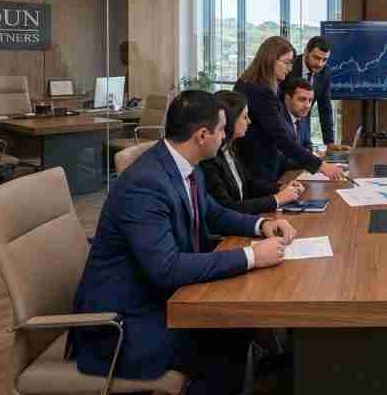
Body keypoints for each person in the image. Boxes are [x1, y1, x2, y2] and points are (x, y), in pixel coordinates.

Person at [71, 90, 299, 395]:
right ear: (203, 135)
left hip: (160, 300)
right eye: (221, 131)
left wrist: (263, 224)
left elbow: (214, 213)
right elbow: (166, 269)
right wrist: (253, 256)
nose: (225, 137)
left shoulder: (182, 164)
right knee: (225, 335)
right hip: (123, 326)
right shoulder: (145, 185)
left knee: (234, 327)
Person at [234, 36, 345, 182]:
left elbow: (324, 108)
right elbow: (281, 137)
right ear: (270, 59)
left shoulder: (256, 83)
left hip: (262, 161)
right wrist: (321, 166)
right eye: (287, 63)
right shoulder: (261, 91)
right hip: (257, 165)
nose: (290, 68)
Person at [200, 89, 305, 214]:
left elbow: (249, 183)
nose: (249, 121)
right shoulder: (209, 159)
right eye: (244, 117)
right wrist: (277, 199)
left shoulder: (230, 148)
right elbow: (227, 208)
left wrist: (281, 188)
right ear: (230, 121)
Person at [286, 36, 336, 148]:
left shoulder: (325, 72)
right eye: (316, 58)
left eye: (324, 60)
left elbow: (325, 107)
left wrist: (330, 143)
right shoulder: (290, 67)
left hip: (304, 122)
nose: (320, 64)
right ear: (306, 52)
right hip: (284, 123)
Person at [280, 78, 316, 172]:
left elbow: (307, 144)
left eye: (310, 100)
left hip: (296, 173)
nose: (307, 105)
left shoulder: (302, 116)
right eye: (302, 99)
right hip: (280, 178)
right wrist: (310, 161)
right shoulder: (278, 120)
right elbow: (283, 159)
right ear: (287, 99)